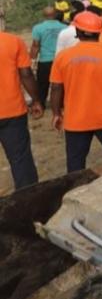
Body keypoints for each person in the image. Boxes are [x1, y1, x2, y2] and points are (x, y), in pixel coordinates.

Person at [50, 11, 102, 173]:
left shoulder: (62, 58)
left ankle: (77, 194)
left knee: (75, 165)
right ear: (100, 32)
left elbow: (56, 88)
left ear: (78, 32)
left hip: (75, 120)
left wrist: (56, 113)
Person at [0, 31, 42, 190]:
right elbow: (26, 74)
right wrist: (36, 100)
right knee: (20, 159)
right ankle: (29, 201)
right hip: (12, 111)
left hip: (12, 111)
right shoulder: (13, 41)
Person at [30, 7, 67, 109]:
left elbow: (36, 45)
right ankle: (61, 104)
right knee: (61, 84)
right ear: (55, 15)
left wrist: (32, 60)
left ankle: (41, 104)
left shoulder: (38, 28)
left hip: (45, 60)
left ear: (44, 15)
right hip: (61, 60)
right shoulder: (65, 27)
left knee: (42, 84)